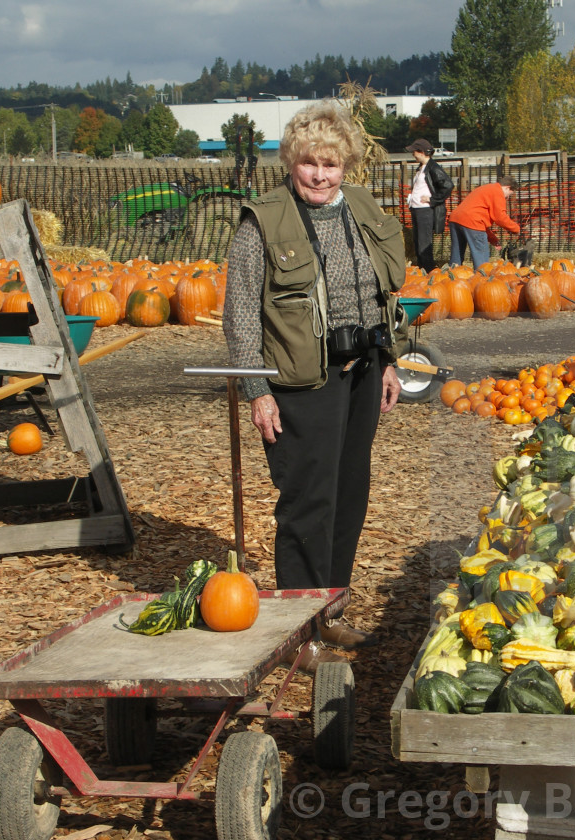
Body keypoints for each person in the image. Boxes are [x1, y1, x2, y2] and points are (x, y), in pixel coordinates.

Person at [222, 100, 406, 672]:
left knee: (349, 496)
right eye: (309, 164)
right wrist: (257, 390)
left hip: (363, 373)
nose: (321, 176)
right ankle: (300, 635)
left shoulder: (361, 209)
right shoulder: (263, 221)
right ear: (291, 163)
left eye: (330, 164)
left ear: (346, 164)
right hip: (302, 383)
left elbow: (383, 295)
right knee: (308, 502)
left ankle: (330, 610)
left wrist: (390, 360)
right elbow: (241, 316)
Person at [448, 177, 520, 268]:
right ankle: (481, 278)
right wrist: (516, 228)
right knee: (481, 259)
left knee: (457, 254)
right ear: (507, 188)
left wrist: (492, 239)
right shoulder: (497, 192)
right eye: (509, 195)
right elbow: (499, 217)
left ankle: (453, 275)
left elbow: (480, 222)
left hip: (455, 219)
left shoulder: (486, 189)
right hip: (472, 221)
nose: (507, 198)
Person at [405, 138, 454, 273]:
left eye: (414, 152)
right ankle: (423, 270)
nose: (413, 155)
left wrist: (433, 200)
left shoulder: (433, 168)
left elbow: (448, 185)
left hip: (425, 211)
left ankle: (430, 272)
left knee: (424, 243)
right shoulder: (421, 168)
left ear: (421, 152)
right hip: (417, 209)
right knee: (418, 242)